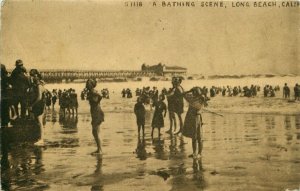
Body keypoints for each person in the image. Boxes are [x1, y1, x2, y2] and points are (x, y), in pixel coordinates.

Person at [182, 87, 207, 159]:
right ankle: (194, 153)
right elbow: (183, 94)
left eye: (196, 92)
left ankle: (199, 153)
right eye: (194, 92)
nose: (194, 93)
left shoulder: (201, 99)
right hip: (191, 118)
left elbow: (202, 106)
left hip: (197, 119)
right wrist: (190, 90)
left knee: (199, 137)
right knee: (193, 137)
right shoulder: (191, 98)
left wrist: (200, 111)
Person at [86, 79, 104, 155]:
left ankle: (100, 150)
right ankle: (99, 149)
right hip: (95, 112)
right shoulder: (92, 91)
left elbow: (100, 96)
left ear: (91, 85)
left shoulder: (93, 91)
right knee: (95, 132)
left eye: (88, 83)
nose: (86, 84)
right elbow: (100, 96)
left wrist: (97, 101)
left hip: (97, 112)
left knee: (96, 132)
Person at [28, 69, 46, 146]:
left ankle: (41, 139)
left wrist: (32, 105)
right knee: (38, 122)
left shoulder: (39, 85)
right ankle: (40, 138)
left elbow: (39, 97)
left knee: (40, 122)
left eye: (32, 76)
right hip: (39, 104)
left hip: (39, 104)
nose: (31, 78)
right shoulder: (38, 84)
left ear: (36, 76)